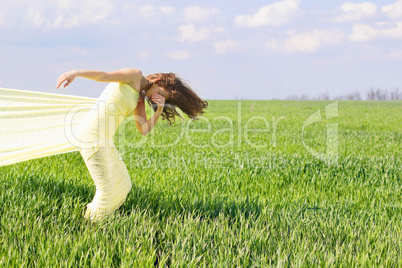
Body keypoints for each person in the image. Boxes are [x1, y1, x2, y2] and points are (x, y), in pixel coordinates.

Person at [56, 68, 208, 221]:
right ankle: (90, 225)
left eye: (162, 98)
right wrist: (75, 73)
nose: (157, 97)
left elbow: (143, 129)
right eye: (160, 93)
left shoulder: (139, 97)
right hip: (92, 135)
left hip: (104, 138)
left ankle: (97, 219)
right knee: (106, 188)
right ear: (157, 82)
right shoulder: (135, 75)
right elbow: (104, 75)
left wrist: (159, 109)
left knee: (124, 184)